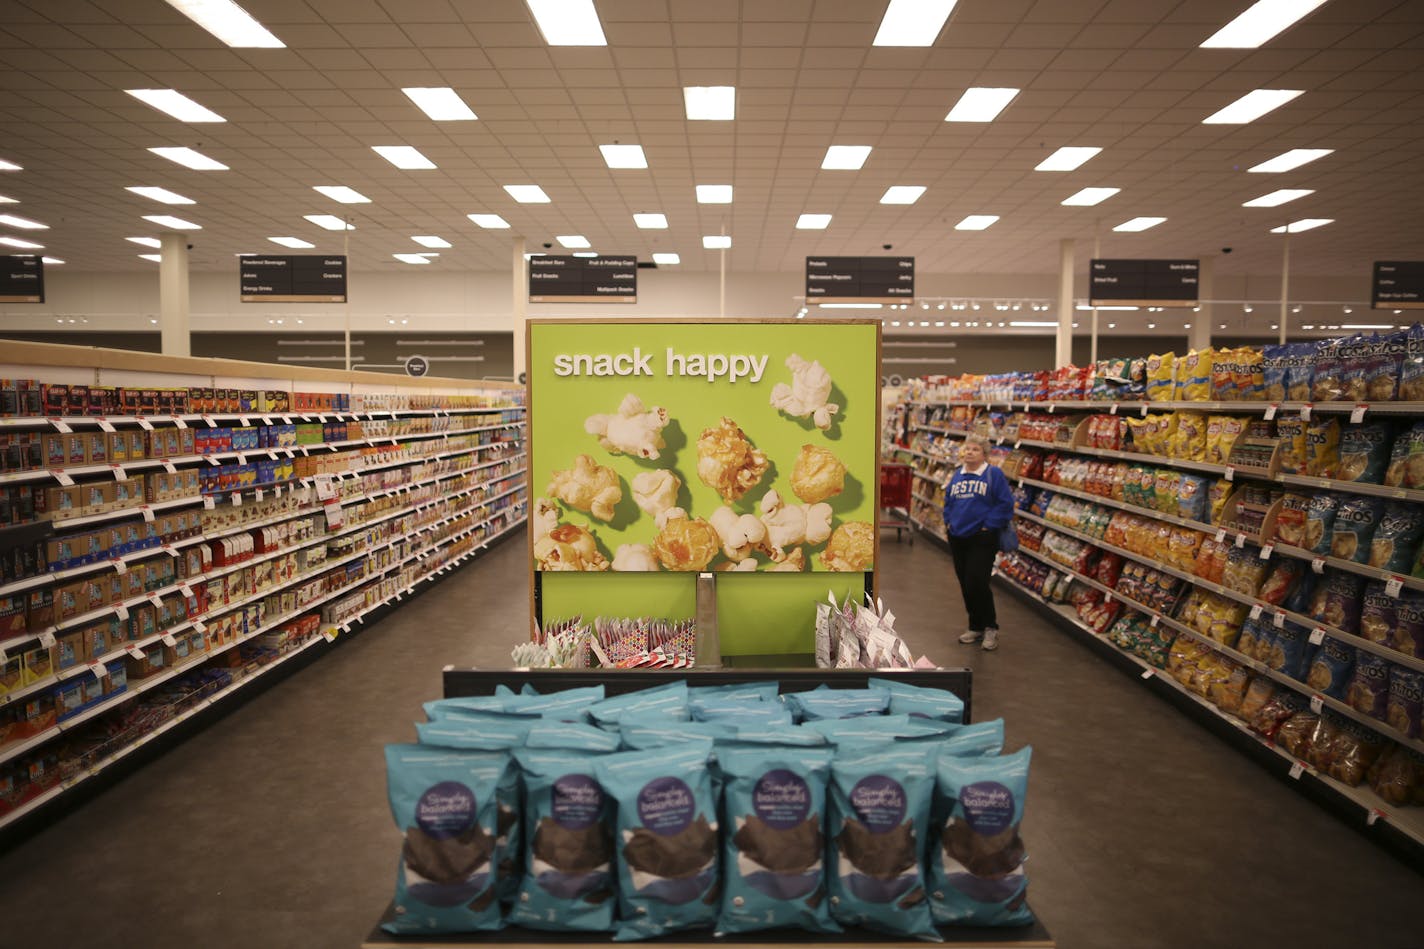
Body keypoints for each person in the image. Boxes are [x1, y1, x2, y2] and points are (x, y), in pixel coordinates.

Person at [942, 435, 1016, 650]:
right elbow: (949, 501)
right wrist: (948, 522)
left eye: (975, 449)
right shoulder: (958, 475)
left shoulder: (993, 474)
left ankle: (991, 626)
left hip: (982, 538)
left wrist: (988, 526)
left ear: (984, 454)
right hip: (957, 537)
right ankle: (975, 626)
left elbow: (1005, 504)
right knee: (965, 582)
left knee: (977, 581)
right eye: (967, 449)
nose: (970, 452)